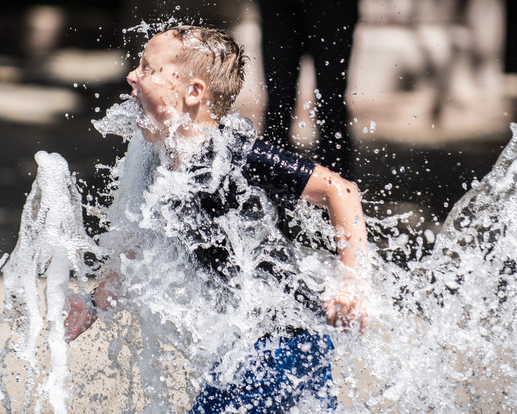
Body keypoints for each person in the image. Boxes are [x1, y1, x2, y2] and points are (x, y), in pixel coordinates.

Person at [64, 25, 369, 413]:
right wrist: (91, 305)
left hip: (285, 337)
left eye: (148, 69)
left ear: (193, 93)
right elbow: (140, 251)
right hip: (244, 341)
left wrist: (352, 283)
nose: (132, 76)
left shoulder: (232, 153)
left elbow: (340, 190)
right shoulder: (158, 161)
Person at [259, 0, 359, 177]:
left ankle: (336, 186)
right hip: (279, 7)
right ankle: (270, 182)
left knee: (331, 104)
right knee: (278, 103)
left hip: (333, 7)